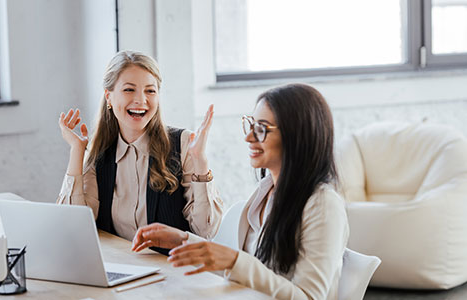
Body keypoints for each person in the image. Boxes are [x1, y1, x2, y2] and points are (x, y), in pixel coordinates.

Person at [131, 83, 349, 299]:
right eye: (251, 125)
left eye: (262, 129)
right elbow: (246, 271)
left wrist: (235, 261)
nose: (249, 138)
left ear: (297, 135)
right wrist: (182, 241)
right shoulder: (266, 192)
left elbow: (308, 297)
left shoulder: (323, 205)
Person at [57, 51, 223, 254]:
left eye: (150, 91)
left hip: (173, 273)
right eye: (129, 90)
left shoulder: (183, 144)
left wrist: (201, 162)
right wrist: (77, 150)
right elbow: (74, 228)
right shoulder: (99, 153)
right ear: (109, 96)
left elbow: (206, 231)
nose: (141, 100)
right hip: (121, 271)